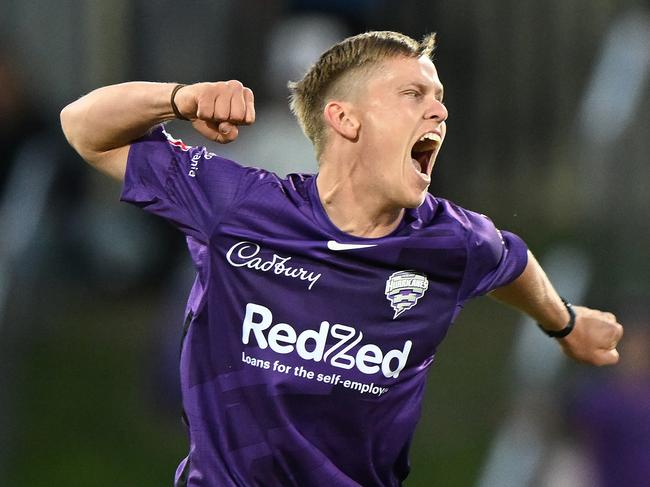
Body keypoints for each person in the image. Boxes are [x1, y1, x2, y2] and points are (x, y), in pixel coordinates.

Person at [60, 31, 623, 487]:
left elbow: (513, 263)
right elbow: (85, 130)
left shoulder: (453, 241)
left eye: (440, 97)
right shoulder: (239, 208)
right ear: (345, 119)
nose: (440, 112)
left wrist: (566, 323)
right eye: (413, 95)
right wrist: (178, 98)